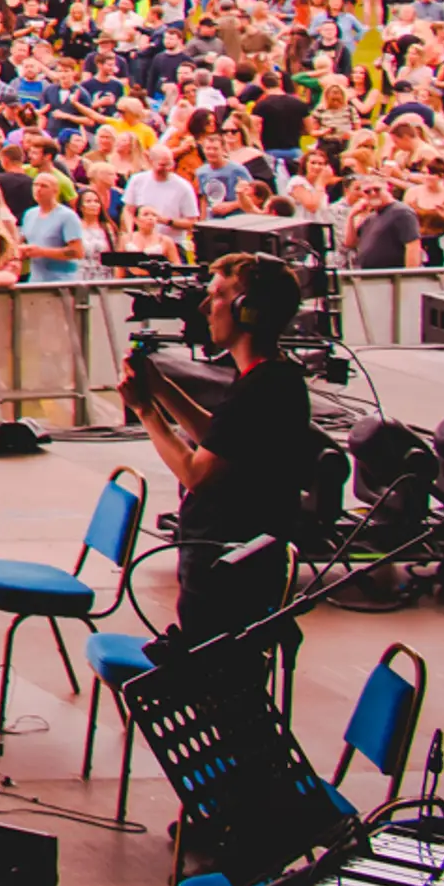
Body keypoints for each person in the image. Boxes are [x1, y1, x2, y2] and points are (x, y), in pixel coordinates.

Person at [133, 251, 316, 646]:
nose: (205, 307)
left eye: (216, 295)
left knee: (219, 691)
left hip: (229, 577)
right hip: (225, 566)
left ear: (247, 310)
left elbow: (198, 473)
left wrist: (145, 410)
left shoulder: (265, 388)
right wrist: (161, 389)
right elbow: (222, 437)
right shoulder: (268, 378)